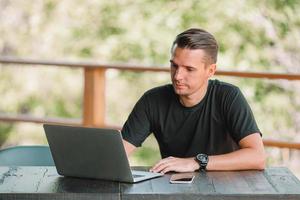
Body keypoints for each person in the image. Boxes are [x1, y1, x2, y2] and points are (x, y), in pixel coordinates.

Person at [121, 28, 265, 174]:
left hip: (224, 188)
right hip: (174, 190)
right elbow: (119, 153)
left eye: (189, 69)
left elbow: (258, 157)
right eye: (174, 66)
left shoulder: (229, 96)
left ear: (210, 71)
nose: (177, 76)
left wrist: (196, 162)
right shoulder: (152, 101)